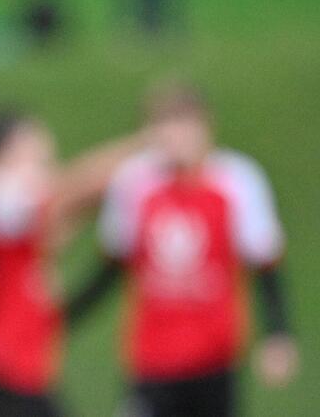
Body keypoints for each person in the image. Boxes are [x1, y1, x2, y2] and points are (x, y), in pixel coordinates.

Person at [67, 83, 298, 416]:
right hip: (152, 357)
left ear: (206, 126)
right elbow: (112, 265)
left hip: (215, 357)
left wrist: (278, 333)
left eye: (183, 124)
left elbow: (266, 261)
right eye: (164, 124)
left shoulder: (238, 180)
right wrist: (64, 316)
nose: (174, 136)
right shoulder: (134, 182)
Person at [0, 109, 144, 417]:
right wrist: (147, 144)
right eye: (35, 153)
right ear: (8, 147)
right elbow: (79, 187)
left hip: (20, 368)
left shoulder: (13, 206)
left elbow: (68, 213)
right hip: (5, 367)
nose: (44, 165)